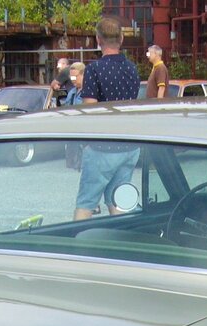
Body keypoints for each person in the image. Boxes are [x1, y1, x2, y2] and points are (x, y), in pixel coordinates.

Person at [74, 15, 141, 221]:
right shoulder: (132, 69)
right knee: (117, 202)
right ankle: (119, 245)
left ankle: (75, 248)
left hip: (102, 146)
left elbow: (90, 110)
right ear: (121, 39)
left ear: (98, 39)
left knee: (86, 204)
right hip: (128, 145)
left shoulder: (94, 70)